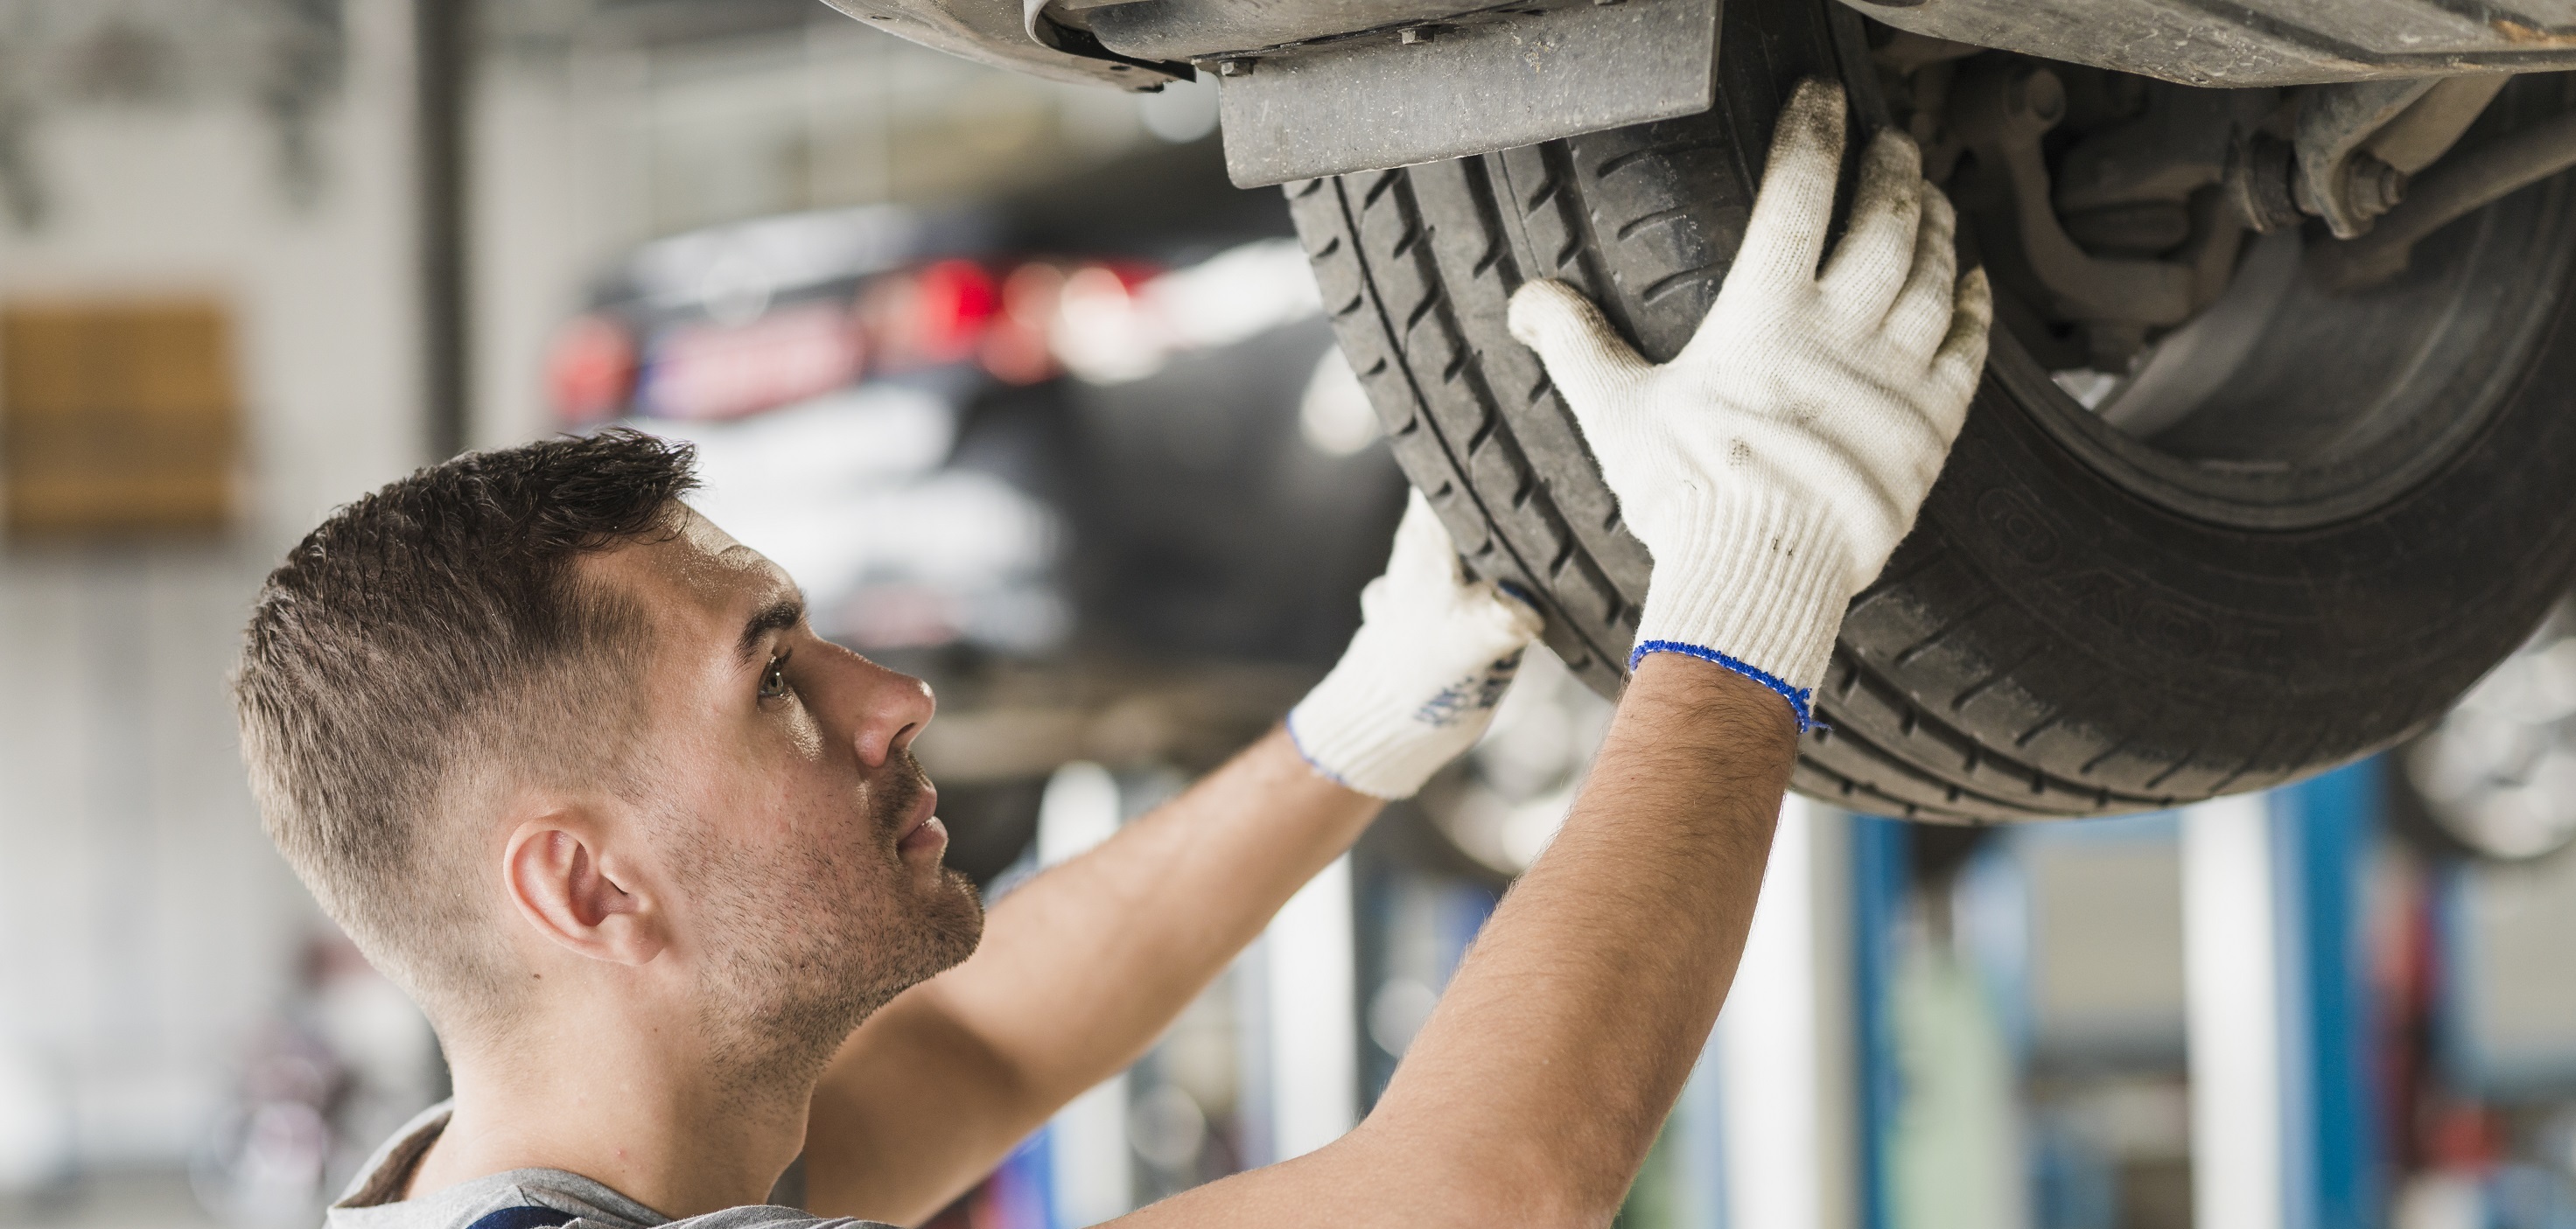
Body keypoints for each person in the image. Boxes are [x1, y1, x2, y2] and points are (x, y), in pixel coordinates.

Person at [231, 79, 1987, 1229]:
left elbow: (975, 1050)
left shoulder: (560, 1177)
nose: (891, 696)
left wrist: (1357, 728)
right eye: (773, 682)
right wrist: (1753, 589)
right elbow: (1477, 1192)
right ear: (586, 888)